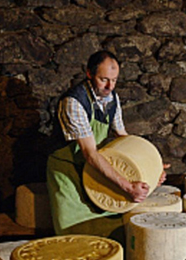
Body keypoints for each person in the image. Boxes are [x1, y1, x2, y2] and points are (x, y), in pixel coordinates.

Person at [47, 50, 166, 239]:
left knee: (109, 224)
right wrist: (127, 187)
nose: (110, 86)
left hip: (95, 167)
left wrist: (152, 170)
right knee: (74, 232)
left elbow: (124, 138)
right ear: (89, 73)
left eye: (114, 80)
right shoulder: (74, 102)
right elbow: (90, 153)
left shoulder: (112, 99)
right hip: (69, 169)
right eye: (104, 80)